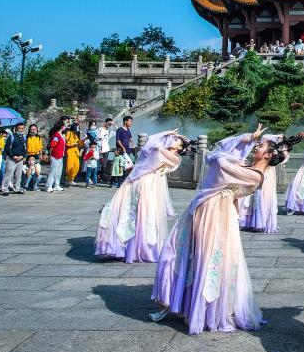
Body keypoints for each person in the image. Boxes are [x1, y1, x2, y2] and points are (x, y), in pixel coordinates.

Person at [151, 123, 284, 333]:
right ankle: (190, 304)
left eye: (260, 146)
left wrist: (240, 146)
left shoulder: (255, 176)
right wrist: (247, 138)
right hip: (210, 208)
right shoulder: (245, 168)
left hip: (217, 214)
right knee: (189, 252)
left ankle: (205, 310)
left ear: (268, 155)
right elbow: (221, 150)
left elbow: (219, 160)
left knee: (209, 256)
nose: (256, 147)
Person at [96, 130, 182, 263]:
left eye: (180, 144)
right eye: (177, 142)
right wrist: (166, 133)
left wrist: (163, 141)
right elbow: (151, 140)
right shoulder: (157, 151)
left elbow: (153, 143)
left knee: (144, 214)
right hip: (145, 183)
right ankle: (130, 247)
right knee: (134, 213)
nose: (179, 145)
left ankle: (139, 247)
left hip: (152, 184)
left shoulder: (173, 157)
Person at [239, 134, 289, 234]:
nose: (256, 147)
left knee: (262, 196)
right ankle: (250, 221)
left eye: (260, 145)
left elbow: (282, 156)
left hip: (266, 174)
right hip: (261, 171)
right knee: (251, 197)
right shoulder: (266, 147)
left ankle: (260, 221)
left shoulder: (272, 148)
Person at [1, 121, 28, 195]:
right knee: (8, 174)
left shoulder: (24, 137)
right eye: (19, 128)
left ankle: (16, 188)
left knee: (18, 175)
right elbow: (7, 148)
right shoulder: (11, 137)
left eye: (22, 128)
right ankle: (4, 189)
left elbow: (26, 148)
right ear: (16, 129)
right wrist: (13, 156)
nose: (21, 130)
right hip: (11, 158)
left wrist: (23, 156)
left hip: (20, 158)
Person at [45, 121, 66, 193]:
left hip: (60, 155)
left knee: (58, 171)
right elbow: (52, 146)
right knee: (53, 171)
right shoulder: (56, 136)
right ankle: (49, 186)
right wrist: (49, 155)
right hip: (55, 155)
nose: (65, 127)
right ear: (62, 127)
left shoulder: (61, 135)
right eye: (64, 126)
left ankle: (57, 184)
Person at [24, 124, 44, 192]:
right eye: (32, 129)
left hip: (36, 155)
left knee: (36, 171)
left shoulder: (39, 138)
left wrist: (41, 155)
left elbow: (40, 147)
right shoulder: (27, 137)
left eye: (34, 129)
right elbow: (25, 147)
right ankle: (26, 185)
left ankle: (34, 185)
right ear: (29, 130)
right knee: (29, 170)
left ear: (37, 130)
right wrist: (24, 157)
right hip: (29, 155)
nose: (33, 131)